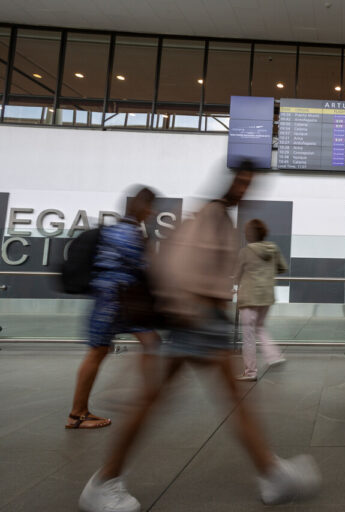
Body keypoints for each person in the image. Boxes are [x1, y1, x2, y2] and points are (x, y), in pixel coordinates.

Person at [78, 169, 320, 512]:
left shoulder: (216, 217)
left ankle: (271, 472)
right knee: (165, 399)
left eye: (250, 183)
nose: (246, 189)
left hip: (202, 320)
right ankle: (105, 480)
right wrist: (188, 310)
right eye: (243, 181)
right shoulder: (210, 215)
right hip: (196, 320)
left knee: (178, 399)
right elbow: (178, 268)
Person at [66, 187, 161, 429]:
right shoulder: (128, 233)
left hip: (112, 298)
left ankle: (144, 399)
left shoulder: (117, 231)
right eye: (150, 207)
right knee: (101, 350)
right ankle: (77, 414)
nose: (152, 212)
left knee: (144, 342)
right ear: (144, 208)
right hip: (116, 300)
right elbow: (143, 268)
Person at [234, 218, 288, 381]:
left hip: (249, 297)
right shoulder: (273, 249)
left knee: (248, 335)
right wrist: (267, 272)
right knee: (259, 327)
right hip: (266, 296)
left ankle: (250, 372)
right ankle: (274, 356)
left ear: (249, 234)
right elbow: (283, 268)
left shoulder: (245, 251)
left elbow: (237, 275)